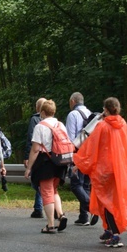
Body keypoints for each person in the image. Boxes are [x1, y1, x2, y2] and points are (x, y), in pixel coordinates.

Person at [73, 98, 127, 247]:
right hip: (119, 168)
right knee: (109, 200)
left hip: (104, 170)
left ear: (106, 110)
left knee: (107, 202)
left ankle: (115, 234)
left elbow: (91, 146)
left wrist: (80, 163)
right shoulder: (123, 124)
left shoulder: (102, 126)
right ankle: (108, 229)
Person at [24, 100, 68, 233]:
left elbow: (35, 149)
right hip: (59, 162)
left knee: (46, 192)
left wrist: (29, 168)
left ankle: (50, 225)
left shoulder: (40, 126)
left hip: (45, 162)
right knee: (53, 190)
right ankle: (60, 214)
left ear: (42, 112)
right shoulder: (60, 124)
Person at [66, 92, 98, 227]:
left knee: (75, 184)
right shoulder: (91, 114)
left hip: (78, 153)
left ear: (73, 101)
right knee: (85, 184)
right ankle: (83, 216)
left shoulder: (73, 115)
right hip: (90, 154)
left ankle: (91, 207)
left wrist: (69, 157)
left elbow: (70, 138)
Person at [25, 98, 46, 218]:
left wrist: (27, 156)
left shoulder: (34, 119)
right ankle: (43, 206)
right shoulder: (55, 121)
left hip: (37, 155)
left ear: (38, 107)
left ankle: (38, 207)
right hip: (50, 156)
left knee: (36, 181)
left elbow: (31, 139)